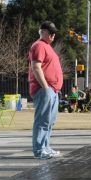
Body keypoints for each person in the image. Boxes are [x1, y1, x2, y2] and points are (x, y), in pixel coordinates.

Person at [29, 22, 63, 158]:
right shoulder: (38, 46)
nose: (53, 35)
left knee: (49, 120)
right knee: (42, 120)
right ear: (42, 32)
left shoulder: (47, 46)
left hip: (52, 90)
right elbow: (36, 67)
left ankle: (45, 147)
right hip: (44, 89)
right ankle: (39, 150)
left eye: (54, 32)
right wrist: (45, 87)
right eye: (51, 32)